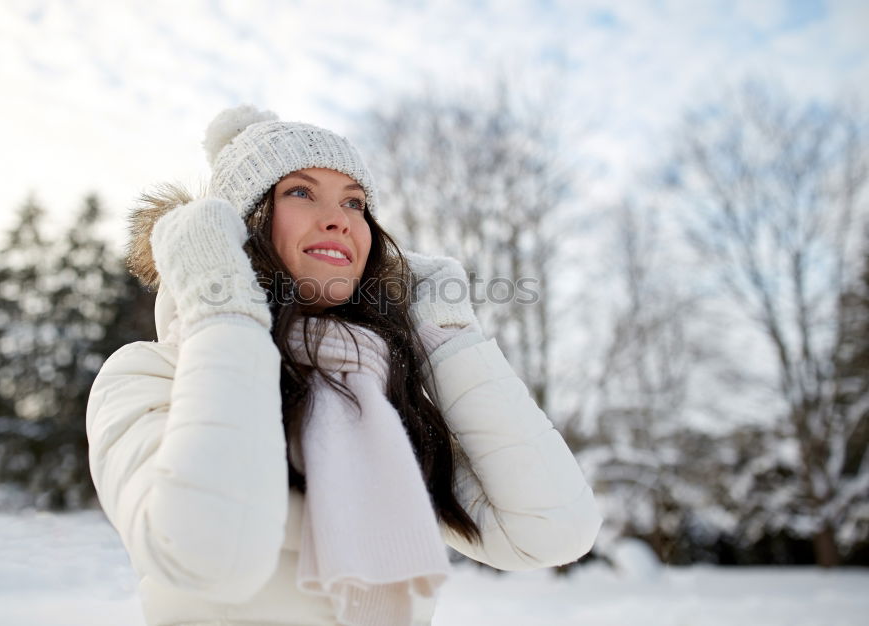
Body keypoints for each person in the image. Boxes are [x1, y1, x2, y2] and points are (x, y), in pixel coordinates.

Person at [86, 105, 603, 626]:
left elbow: (551, 530)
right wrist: (224, 306)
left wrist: (445, 338)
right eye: (300, 192)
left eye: (355, 203)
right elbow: (208, 554)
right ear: (239, 226)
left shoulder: (383, 401)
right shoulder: (149, 374)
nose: (339, 219)